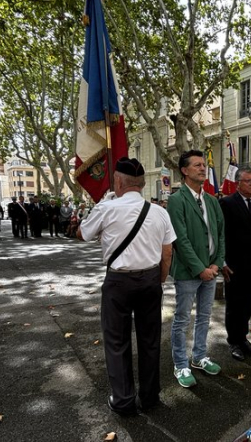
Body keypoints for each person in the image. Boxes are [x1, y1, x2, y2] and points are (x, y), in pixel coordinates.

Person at [78, 157, 175, 416]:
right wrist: (160, 279)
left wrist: (102, 204)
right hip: (150, 279)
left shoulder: (107, 208)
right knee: (150, 341)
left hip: (118, 282)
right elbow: (167, 253)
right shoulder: (159, 212)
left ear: (118, 182)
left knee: (117, 341)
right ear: (142, 184)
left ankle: (123, 401)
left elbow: (83, 233)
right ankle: (150, 397)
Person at [167, 150, 225, 388]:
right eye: (197, 165)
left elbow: (221, 235)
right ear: (184, 170)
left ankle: (199, 357)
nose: (203, 168)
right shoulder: (176, 200)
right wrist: (200, 268)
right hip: (188, 273)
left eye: (204, 165)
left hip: (210, 270)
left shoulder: (211, 200)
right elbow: (180, 240)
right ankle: (180, 364)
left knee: (204, 317)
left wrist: (216, 264)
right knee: (181, 319)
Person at [219, 167, 251, 361]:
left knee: (248, 302)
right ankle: (234, 341)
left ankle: (243, 337)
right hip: (234, 264)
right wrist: (221, 261)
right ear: (238, 183)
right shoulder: (227, 203)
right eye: (249, 181)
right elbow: (220, 233)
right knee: (234, 304)